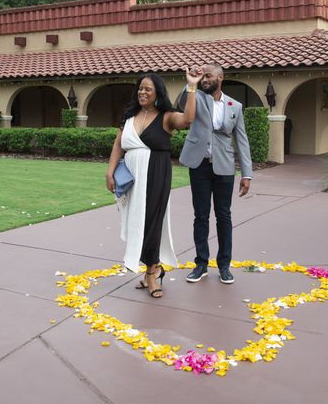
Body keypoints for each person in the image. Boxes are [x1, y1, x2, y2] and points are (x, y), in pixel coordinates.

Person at [106, 70, 199, 298]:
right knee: (138, 222)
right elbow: (118, 145)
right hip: (132, 178)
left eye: (147, 89)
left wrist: (192, 87)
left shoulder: (166, 116)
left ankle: (152, 272)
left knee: (152, 222)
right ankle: (151, 268)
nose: (142, 92)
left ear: (157, 93)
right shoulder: (129, 117)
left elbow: (187, 119)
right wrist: (109, 173)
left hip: (157, 173)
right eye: (140, 88)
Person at [179, 63, 253, 284]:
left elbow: (242, 140)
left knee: (224, 216)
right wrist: (190, 85)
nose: (205, 80)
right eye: (203, 77)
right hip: (199, 164)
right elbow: (182, 103)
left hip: (224, 167)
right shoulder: (196, 96)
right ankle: (201, 264)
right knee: (200, 215)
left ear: (221, 77)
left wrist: (246, 174)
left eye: (209, 76)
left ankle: (224, 266)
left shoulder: (235, 106)